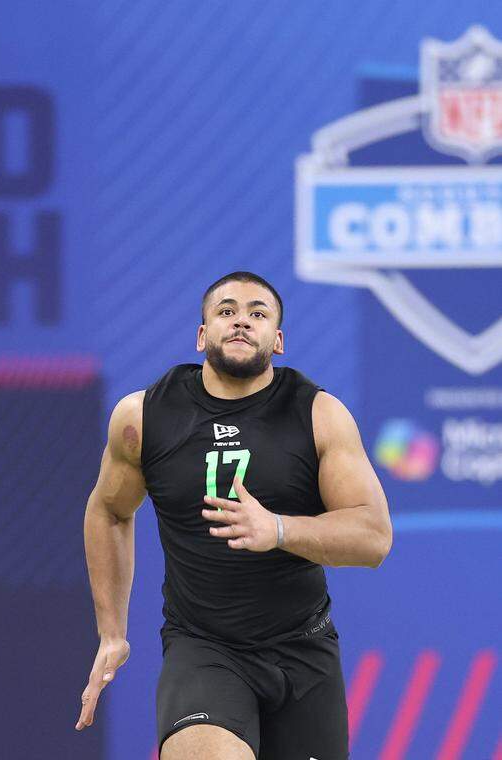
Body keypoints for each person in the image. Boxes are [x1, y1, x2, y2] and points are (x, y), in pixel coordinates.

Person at [73, 271, 392, 759]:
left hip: (303, 651)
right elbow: (109, 511)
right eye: (226, 311)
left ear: (278, 341)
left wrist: (278, 529)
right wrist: (111, 633)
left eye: (257, 314)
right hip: (203, 648)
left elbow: (374, 537)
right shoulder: (144, 417)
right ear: (202, 335)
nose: (241, 321)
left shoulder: (318, 414)